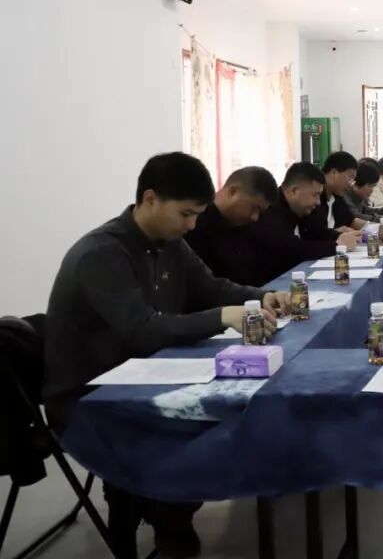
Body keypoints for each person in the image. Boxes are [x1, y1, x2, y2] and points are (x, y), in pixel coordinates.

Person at [43, 153, 285, 559]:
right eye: (186, 214)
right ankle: (160, 510)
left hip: (148, 374)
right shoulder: (100, 253)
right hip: (91, 398)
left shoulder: (170, 243)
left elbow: (211, 287)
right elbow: (142, 328)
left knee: (228, 417)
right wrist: (224, 317)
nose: (192, 226)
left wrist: (262, 296)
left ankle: (168, 508)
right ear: (150, 199)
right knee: (203, 426)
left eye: (197, 216)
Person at [246, 162, 358, 286]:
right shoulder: (271, 211)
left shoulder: (298, 208)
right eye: (315, 195)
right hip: (262, 284)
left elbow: (317, 232)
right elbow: (294, 250)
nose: (318, 202)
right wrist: (337, 245)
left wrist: (340, 236)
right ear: (294, 191)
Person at [185, 165, 279, 286]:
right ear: (233, 192)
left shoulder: (246, 226)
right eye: (254, 208)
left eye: (260, 212)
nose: (255, 217)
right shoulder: (194, 226)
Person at [302, 151, 368, 233]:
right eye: (350, 177)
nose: (351, 184)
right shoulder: (315, 197)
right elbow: (315, 234)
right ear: (334, 172)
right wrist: (337, 234)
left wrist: (376, 227)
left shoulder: (336, 196)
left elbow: (351, 221)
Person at [342, 157, 383, 223]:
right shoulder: (344, 197)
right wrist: (380, 219)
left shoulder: (359, 196)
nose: (372, 190)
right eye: (369, 186)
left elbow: (367, 211)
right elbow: (356, 217)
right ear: (355, 184)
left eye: (374, 186)